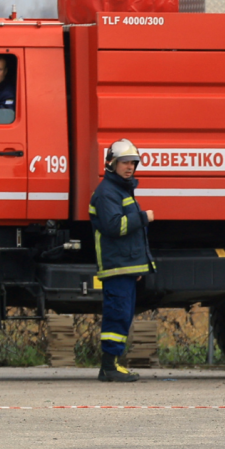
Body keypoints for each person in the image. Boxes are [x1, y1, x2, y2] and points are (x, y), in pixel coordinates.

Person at [90, 139, 156, 382]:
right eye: (125, 162)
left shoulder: (120, 190)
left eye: (133, 163)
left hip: (124, 266)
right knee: (117, 315)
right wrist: (143, 217)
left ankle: (112, 365)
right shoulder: (107, 192)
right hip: (116, 266)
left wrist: (136, 266)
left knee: (123, 315)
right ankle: (109, 367)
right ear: (111, 164)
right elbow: (115, 227)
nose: (130, 167)